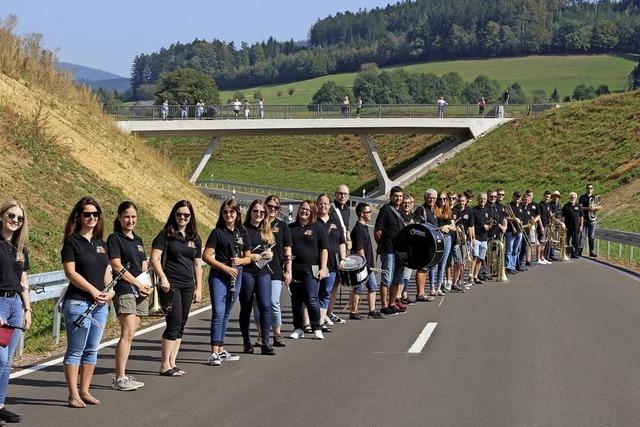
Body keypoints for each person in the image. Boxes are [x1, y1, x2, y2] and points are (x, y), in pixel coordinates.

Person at [61, 197, 114, 408]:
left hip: (100, 305)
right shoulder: (72, 242)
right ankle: (73, 394)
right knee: (76, 349)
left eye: (95, 214)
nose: (92, 217)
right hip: (78, 303)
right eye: (87, 214)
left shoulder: (101, 244)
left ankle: (85, 391)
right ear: (79, 216)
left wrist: (110, 292)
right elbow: (70, 272)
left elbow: (106, 272)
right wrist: (92, 290)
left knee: (92, 349)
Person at [151, 200, 203, 376]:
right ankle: (164, 364)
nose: (182, 217)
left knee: (181, 324)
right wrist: (163, 277)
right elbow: (155, 258)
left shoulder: (194, 237)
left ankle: (173, 363)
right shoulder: (166, 234)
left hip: (188, 285)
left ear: (191, 217)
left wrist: (199, 288)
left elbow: (197, 264)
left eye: (186, 215)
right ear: (174, 214)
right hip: (171, 286)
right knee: (173, 323)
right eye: (179, 214)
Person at [107, 201, 151, 390]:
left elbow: (143, 265)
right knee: (127, 332)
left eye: (133, 217)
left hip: (141, 289)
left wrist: (146, 286)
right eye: (126, 216)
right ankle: (119, 377)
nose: (130, 220)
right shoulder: (114, 238)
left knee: (132, 333)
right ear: (119, 217)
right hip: (125, 288)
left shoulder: (138, 240)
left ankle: (124, 374)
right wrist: (136, 283)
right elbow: (116, 265)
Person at [203, 199, 251, 365]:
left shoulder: (242, 233)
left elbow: (248, 257)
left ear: (237, 213)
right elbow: (207, 256)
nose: (228, 215)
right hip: (220, 275)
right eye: (225, 212)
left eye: (232, 211)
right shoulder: (217, 232)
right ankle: (214, 352)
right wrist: (225, 268)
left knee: (226, 314)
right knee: (218, 312)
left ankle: (221, 349)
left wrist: (240, 262)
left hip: (236, 274)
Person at [0, 200, 31, 422]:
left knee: (7, 360)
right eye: (11, 216)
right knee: (0, 359)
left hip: (16, 306)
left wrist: (27, 309)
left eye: (19, 218)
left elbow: (23, 279)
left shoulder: (20, 249)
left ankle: (0, 405)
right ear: (2, 215)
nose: (15, 221)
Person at [289, 200, 329, 340]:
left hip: (311, 269)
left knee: (311, 298)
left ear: (312, 212)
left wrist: (323, 268)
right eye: (302, 209)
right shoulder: (291, 228)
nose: (304, 211)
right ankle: (298, 328)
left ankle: (316, 327)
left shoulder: (318, 228)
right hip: (295, 269)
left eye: (307, 210)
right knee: (296, 300)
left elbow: (324, 250)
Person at [239, 200, 275, 356]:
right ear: (250, 212)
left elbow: (271, 249)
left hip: (263, 272)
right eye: (256, 211)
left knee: (266, 306)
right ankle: (247, 342)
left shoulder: (266, 230)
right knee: (246, 306)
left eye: (262, 212)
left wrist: (270, 255)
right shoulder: (242, 229)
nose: (259, 214)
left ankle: (265, 342)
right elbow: (236, 251)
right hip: (247, 271)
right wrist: (250, 256)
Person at [263, 195, 291, 347]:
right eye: (270, 206)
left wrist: (288, 270)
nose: (272, 209)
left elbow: (287, 248)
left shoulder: (282, 225)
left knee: (274, 302)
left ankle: (277, 334)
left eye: (276, 207)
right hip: (259, 269)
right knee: (260, 304)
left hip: (276, 269)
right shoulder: (259, 223)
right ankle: (262, 334)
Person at [374, 186, 407, 315]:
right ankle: (384, 305)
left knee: (397, 278)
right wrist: (381, 245)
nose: (398, 198)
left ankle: (392, 303)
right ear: (391, 197)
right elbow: (378, 231)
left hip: (401, 251)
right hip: (388, 249)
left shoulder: (403, 212)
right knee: (386, 278)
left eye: (400, 196)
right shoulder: (386, 210)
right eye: (396, 196)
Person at [349, 203, 384, 319]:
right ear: (361, 214)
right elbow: (359, 249)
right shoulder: (358, 229)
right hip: (362, 265)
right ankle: (353, 312)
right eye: (368, 212)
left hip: (368, 265)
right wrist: (364, 265)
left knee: (373, 287)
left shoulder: (364, 227)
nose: (370, 214)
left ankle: (372, 310)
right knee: (358, 289)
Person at [317, 195, 346, 326]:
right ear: (317, 204)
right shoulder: (314, 221)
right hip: (315, 262)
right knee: (313, 292)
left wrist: (343, 258)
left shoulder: (335, 221)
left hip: (332, 263)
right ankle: (312, 319)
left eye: (326, 203)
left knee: (326, 291)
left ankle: (322, 318)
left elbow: (342, 242)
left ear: (329, 206)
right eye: (321, 203)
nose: (323, 206)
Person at [326, 185, 351, 325]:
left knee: (337, 282)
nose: (342, 196)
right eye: (340, 193)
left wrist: (349, 239)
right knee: (328, 282)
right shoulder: (330, 208)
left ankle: (330, 311)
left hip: (342, 247)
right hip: (331, 247)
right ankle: (323, 312)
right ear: (335, 195)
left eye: (345, 194)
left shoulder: (347, 210)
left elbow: (345, 228)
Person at [413, 189, 438, 301]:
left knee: (425, 269)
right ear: (425, 198)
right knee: (421, 268)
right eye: (429, 197)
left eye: (433, 198)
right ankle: (420, 294)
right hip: (422, 243)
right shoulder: (421, 209)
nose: (431, 199)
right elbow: (416, 226)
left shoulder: (433, 210)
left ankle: (422, 293)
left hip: (430, 244)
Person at [469, 192, 490, 285]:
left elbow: (491, 222)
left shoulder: (487, 210)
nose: (483, 200)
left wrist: (489, 226)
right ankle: (470, 276)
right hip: (476, 238)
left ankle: (476, 276)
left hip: (484, 238)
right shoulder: (473, 210)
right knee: (475, 257)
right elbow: (471, 225)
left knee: (481, 258)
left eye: (484, 199)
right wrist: (473, 237)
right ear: (478, 199)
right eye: (481, 198)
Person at [504, 192, 525, 274]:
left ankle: (512, 266)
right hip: (510, 230)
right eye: (516, 196)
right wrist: (514, 219)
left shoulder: (520, 206)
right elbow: (505, 217)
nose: (517, 198)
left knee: (515, 250)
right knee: (509, 250)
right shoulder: (509, 206)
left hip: (519, 230)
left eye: (519, 197)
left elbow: (522, 218)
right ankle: (508, 267)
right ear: (513, 196)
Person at [579, 184, 601, 257]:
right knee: (582, 236)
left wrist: (594, 208)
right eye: (588, 188)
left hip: (592, 219)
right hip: (584, 219)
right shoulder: (582, 197)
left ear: (593, 189)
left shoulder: (595, 197)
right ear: (586, 189)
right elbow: (580, 207)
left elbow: (600, 207)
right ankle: (580, 251)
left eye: (591, 188)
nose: (590, 189)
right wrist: (588, 208)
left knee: (591, 236)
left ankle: (591, 251)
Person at [562, 192, 583, 259]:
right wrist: (563, 225)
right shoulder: (566, 206)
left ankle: (574, 254)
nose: (572, 198)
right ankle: (567, 253)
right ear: (569, 198)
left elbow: (581, 216)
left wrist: (581, 225)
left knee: (575, 240)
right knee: (568, 240)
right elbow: (563, 217)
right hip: (568, 226)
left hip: (576, 226)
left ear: (576, 198)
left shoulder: (578, 206)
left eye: (574, 197)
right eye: (571, 197)